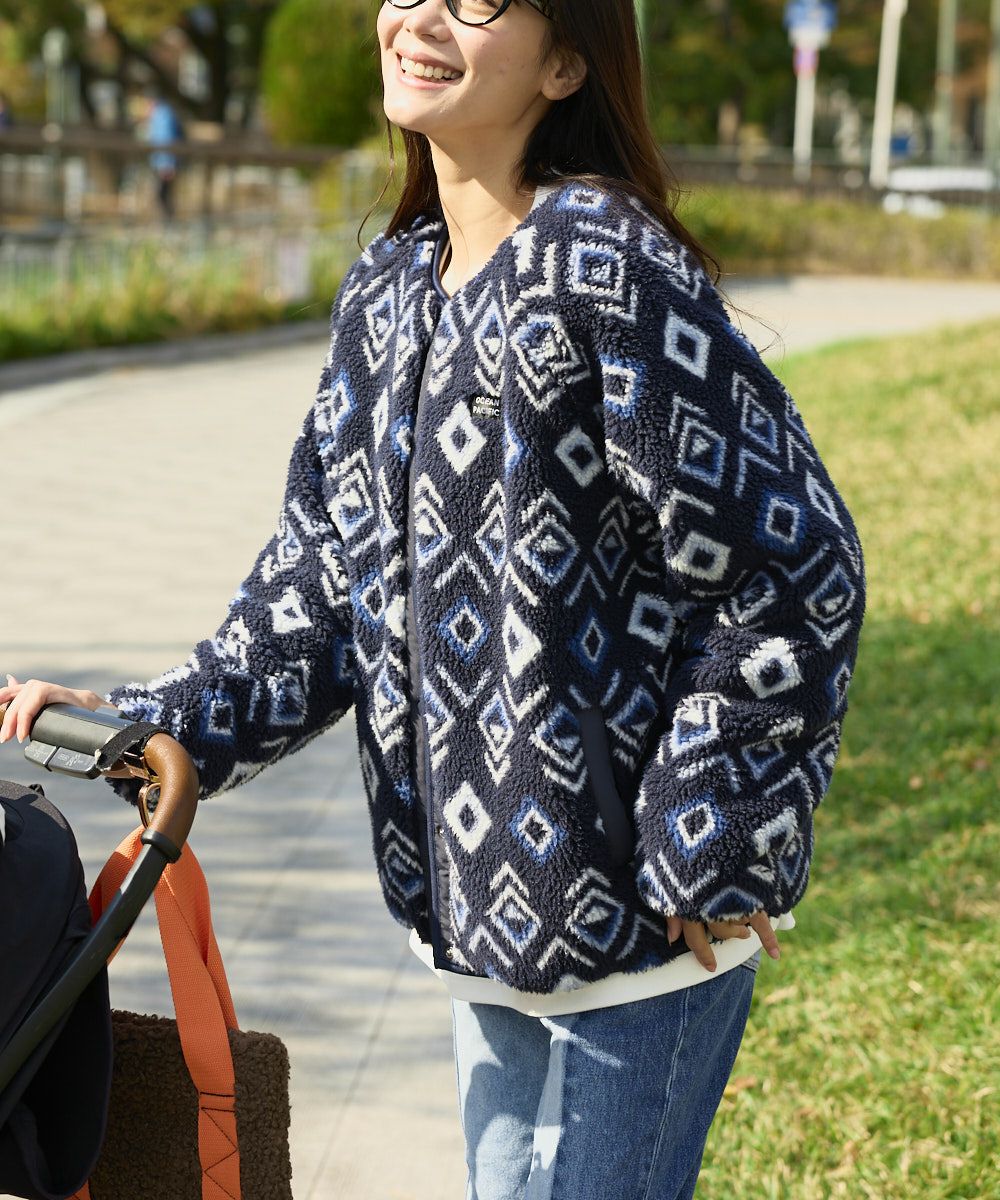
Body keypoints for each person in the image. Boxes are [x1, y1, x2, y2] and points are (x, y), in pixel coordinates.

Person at [0, 1, 867, 1196]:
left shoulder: (608, 266)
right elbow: (320, 584)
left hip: (644, 935)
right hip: (475, 923)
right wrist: (156, 720)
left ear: (567, 63)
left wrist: (713, 827)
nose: (419, 20)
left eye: (479, 2)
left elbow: (797, 560)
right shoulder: (388, 289)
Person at [141, 90, 184, 221]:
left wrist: (167, 164)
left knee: (162, 194)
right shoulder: (162, 115)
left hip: (165, 163)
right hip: (163, 161)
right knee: (163, 193)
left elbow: (165, 140)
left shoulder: (162, 116)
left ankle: (168, 221)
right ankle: (167, 220)